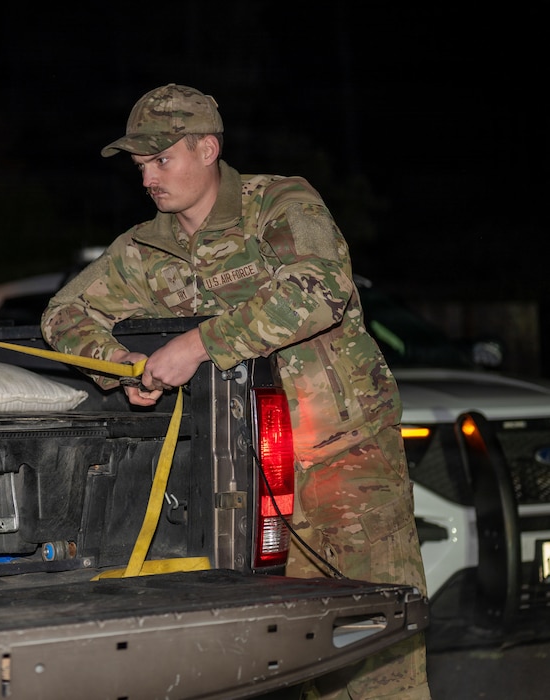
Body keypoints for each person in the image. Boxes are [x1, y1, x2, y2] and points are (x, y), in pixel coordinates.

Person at [40, 84, 430, 699]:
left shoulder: (277, 203)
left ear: (207, 149)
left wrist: (195, 345)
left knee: (377, 660)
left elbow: (319, 289)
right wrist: (121, 364)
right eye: (140, 166)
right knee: (281, 666)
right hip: (243, 491)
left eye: (160, 159)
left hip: (343, 467)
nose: (147, 179)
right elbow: (62, 315)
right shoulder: (145, 249)